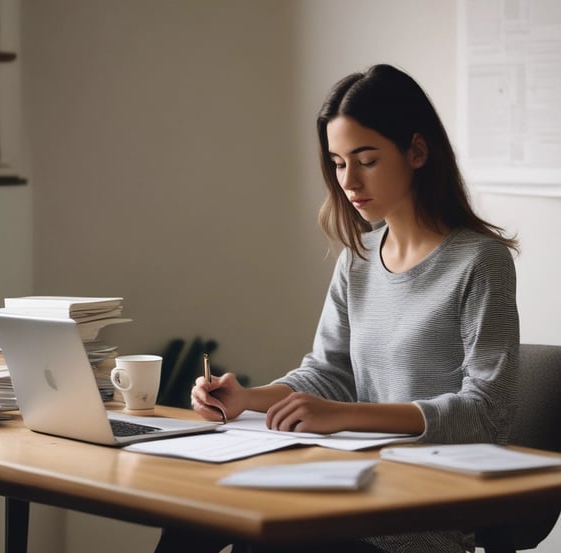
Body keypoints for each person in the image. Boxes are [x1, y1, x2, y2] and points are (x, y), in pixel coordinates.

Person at [160, 63, 520, 553]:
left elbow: (486, 414)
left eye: (366, 160)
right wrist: (247, 398)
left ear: (416, 151)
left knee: (269, 539)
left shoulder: (480, 261)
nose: (349, 181)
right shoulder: (359, 259)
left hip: (414, 517)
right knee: (195, 512)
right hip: (342, 484)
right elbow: (328, 372)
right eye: (337, 162)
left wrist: (346, 415)